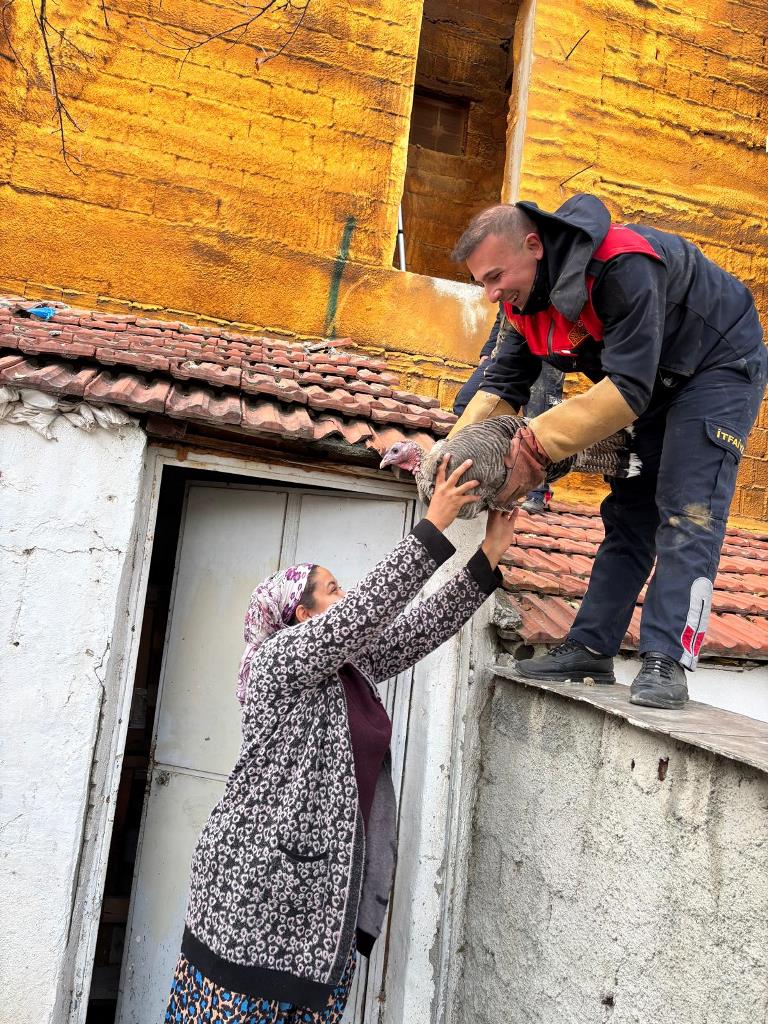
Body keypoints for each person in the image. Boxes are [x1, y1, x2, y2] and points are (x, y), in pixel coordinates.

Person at [164, 457, 518, 1024]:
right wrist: (434, 525)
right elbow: (361, 615)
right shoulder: (278, 661)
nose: (346, 594)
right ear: (301, 615)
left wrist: (488, 556)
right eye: (333, 590)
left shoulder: (344, 669)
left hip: (317, 906)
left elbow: (416, 631)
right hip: (255, 897)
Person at [449, 193, 767, 710]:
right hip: (654, 382)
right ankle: (590, 648)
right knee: (628, 515)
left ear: (533, 246)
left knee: (688, 510)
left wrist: (534, 446)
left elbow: (628, 391)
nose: (490, 294)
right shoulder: (521, 300)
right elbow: (504, 382)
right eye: (482, 282)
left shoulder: (623, 265)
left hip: (717, 368)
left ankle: (669, 659)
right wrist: (451, 453)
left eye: (494, 276)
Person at [453, 308, 564, 513]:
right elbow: (503, 314)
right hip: (509, 346)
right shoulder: (505, 283)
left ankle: (538, 492)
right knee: (466, 402)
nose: (492, 292)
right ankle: (485, 474)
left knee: (539, 421)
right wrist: (487, 351)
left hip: (550, 350)